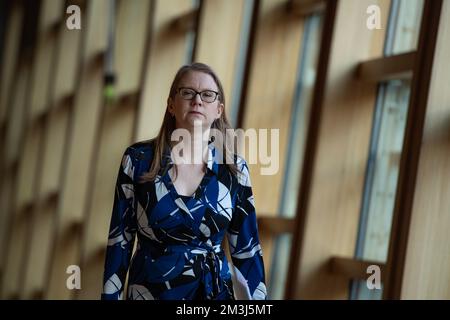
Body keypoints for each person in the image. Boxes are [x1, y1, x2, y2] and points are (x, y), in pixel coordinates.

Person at [101, 62, 266, 300]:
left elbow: (248, 252)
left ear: (218, 110)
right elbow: (120, 241)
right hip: (150, 292)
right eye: (187, 92)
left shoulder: (234, 170)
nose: (197, 100)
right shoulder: (138, 160)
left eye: (207, 95)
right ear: (171, 104)